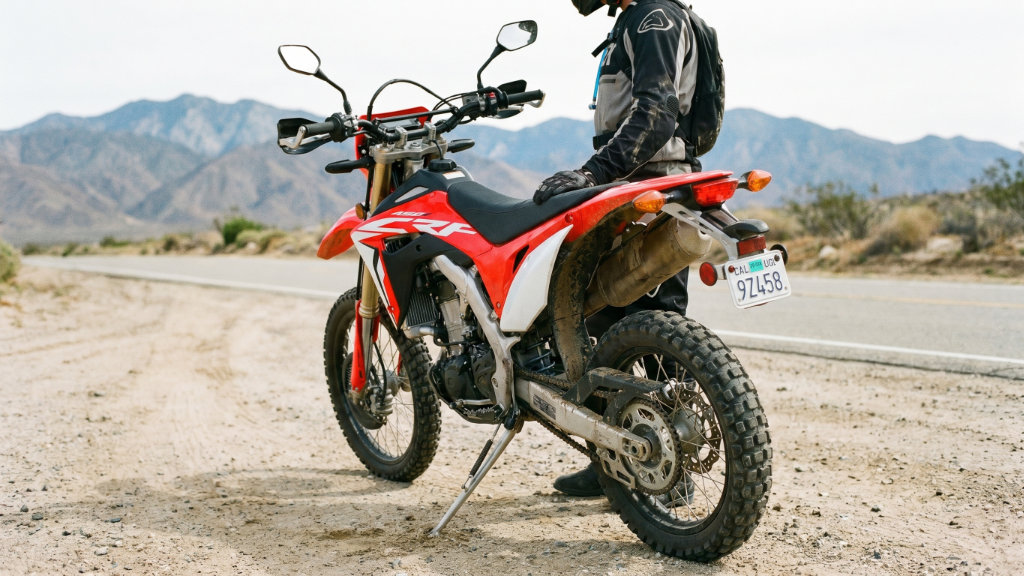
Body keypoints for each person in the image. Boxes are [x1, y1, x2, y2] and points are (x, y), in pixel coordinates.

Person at [535, 0, 702, 498]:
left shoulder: (655, 17)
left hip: (651, 188)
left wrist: (591, 174)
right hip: (635, 186)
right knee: (605, 320)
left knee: (658, 328)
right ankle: (613, 458)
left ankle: (674, 475)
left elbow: (657, 111)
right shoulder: (637, 19)